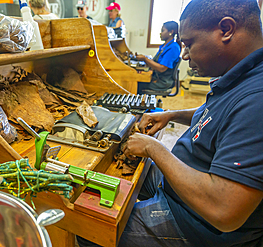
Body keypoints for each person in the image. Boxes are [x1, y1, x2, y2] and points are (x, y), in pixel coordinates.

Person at [77, 0, 263, 246]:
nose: (184, 55)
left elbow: (224, 211)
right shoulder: (244, 75)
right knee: (116, 178)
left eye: (189, 44)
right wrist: (172, 115)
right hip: (185, 184)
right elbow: (221, 113)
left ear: (226, 30)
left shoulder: (257, 100)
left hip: (195, 223)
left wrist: (154, 148)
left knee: (88, 230)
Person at [136, 21, 181, 93]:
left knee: (135, 84)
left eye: (163, 31)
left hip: (162, 82)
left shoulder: (173, 47)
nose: (160, 33)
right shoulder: (164, 46)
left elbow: (162, 68)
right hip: (157, 77)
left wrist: (145, 59)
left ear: (171, 32)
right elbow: (155, 62)